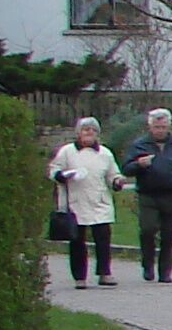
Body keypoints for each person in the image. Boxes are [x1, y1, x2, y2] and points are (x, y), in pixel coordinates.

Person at [122, 106, 172, 283]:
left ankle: (165, 271)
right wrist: (139, 164)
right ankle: (147, 264)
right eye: (156, 127)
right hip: (148, 195)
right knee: (148, 229)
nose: (160, 131)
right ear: (150, 127)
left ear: (168, 127)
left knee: (169, 234)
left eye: (163, 127)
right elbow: (126, 169)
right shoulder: (140, 145)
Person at [49, 117, 121, 291]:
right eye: (85, 130)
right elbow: (53, 171)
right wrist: (63, 175)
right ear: (78, 133)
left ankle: (104, 273)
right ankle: (79, 277)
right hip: (75, 202)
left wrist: (117, 181)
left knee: (103, 238)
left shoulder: (105, 153)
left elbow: (113, 174)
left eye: (92, 130)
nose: (89, 133)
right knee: (77, 241)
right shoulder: (67, 151)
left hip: (99, 202)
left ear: (97, 134)